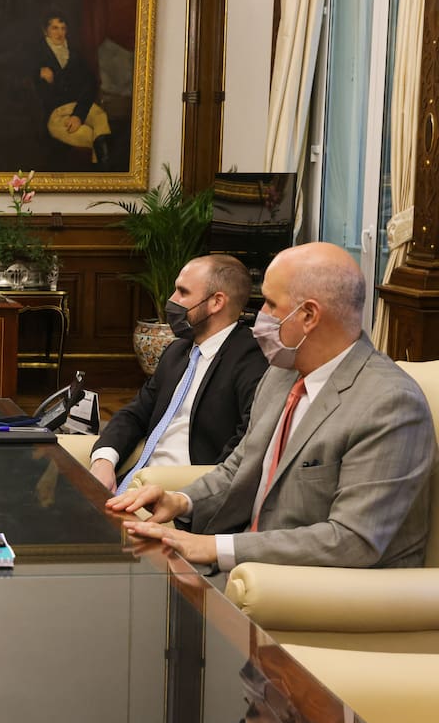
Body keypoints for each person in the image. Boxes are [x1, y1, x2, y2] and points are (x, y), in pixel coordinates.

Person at [109, 242, 434, 570]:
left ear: (309, 316)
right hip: (247, 568)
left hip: (313, 588)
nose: (259, 316)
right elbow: (239, 468)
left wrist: (212, 547)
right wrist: (181, 501)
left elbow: (352, 541)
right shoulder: (282, 373)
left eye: (270, 304)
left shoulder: (390, 404)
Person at [90, 254, 267, 492]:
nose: (171, 300)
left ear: (216, 302)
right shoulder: (177, 351)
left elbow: (245, 445)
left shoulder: (251, 359)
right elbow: (136, 413)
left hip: (182, 492)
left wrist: (184, 496)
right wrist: (103, 461)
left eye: (182, 292)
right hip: (133, 483)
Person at [36, 13, 114, 169]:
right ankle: (102, 170)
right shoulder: (37, 53)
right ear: (45, 31)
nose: (60, 33)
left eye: (63, 28)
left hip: (78, 106)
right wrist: (36, 72)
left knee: (100, 118)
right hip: (55, 113)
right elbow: (14, 73)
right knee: (88, 134)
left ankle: (105, 169)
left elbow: (90, 84)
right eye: (55, 28)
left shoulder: (75, 54)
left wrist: (78, 115)